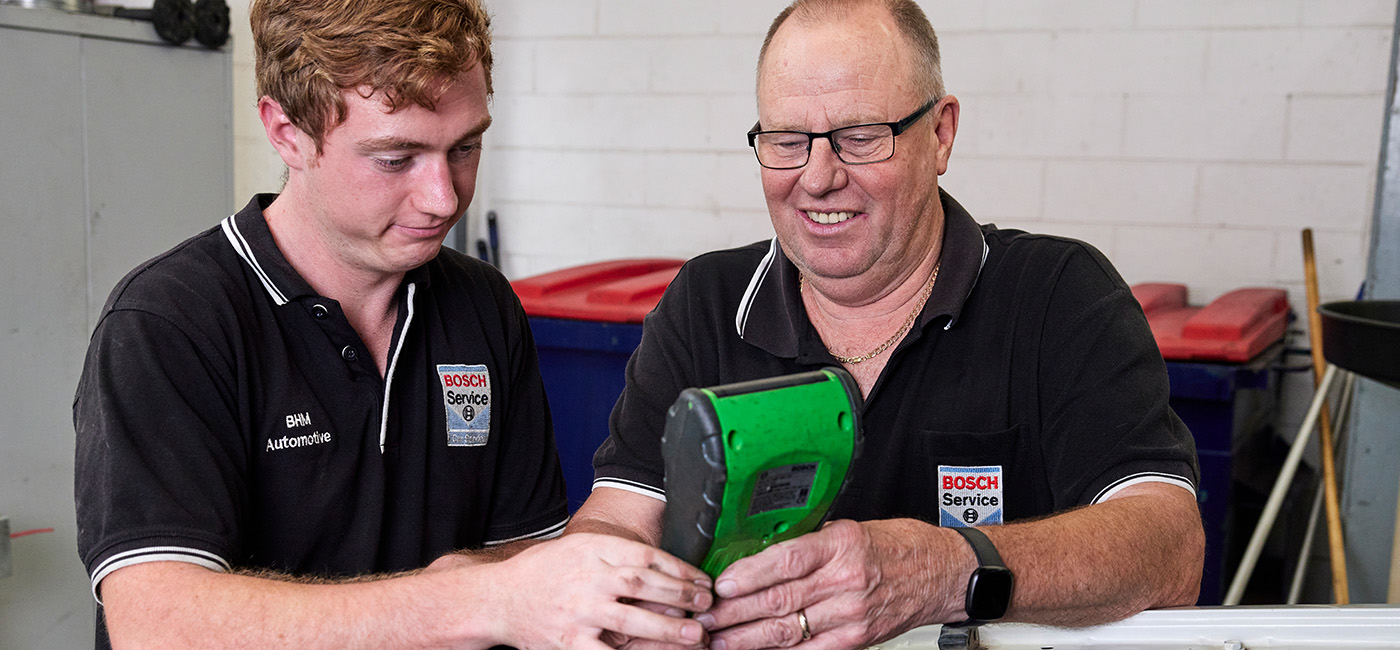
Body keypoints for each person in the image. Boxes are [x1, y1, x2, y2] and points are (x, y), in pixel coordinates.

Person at [72, 0, 714, 648]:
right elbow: (159, 628)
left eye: (465, 147)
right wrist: (473, 597)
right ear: (287, 130)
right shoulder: (171, 326)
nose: (443, 197)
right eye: (395, 157)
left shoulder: (482, 306)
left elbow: (529, 564)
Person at [570, 0, 1205, 648]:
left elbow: (1169, 546)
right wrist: (615, 603)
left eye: (861, 136)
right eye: (787, 141)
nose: (818, 177)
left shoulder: (1055, 297)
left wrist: (945, 570)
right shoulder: (707, 304)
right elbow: (616, 524)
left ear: (940, 135)